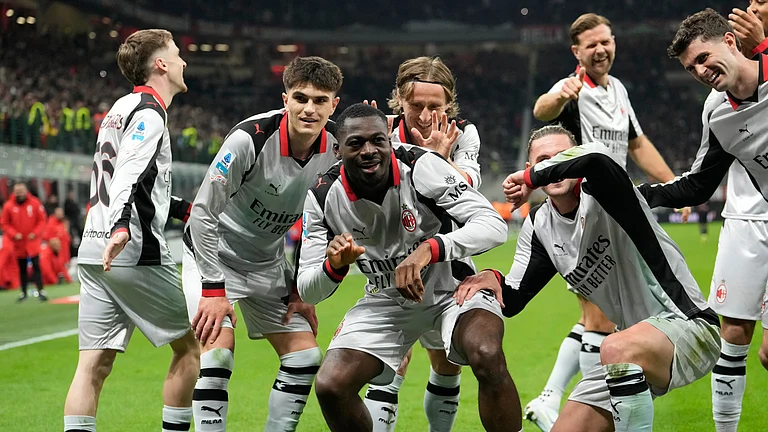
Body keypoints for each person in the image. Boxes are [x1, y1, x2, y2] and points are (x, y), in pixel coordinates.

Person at [458, 125, 721, 432]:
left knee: (614, 347)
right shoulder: (540, 226)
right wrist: (492, 277)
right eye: (542, 160)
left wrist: (533, 178)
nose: (552, 167)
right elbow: (514, 298)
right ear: (530, 165)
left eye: (559, 159)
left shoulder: (606, 190)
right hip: (630, 351)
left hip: (688, 326)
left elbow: (596, 157)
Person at [297, 103, 521, 432]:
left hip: (451, 288)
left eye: (378, 140)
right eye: (356, 143)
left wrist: (430, 249)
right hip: (386, 299)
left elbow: (493, 224)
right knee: (332, 384)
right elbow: (307, 289)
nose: (369, 151)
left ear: (389, 139)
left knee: (486, 352)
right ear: (337, 149)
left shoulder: (420, 165)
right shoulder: (321, 197)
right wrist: (334, 266)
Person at [523, 13, 681, 430]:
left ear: (614, 43)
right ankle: (589, 405)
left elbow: (636, 143)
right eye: (590, 44)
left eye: (606, 42)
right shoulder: (572, 90)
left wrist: (673, 186)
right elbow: (544, 108)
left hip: (617, 212)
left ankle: (558, 399)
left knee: (601, 319)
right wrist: (559, 94)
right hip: (580, 212)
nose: (600, 50)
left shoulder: (619, 90)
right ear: (577, 51)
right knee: (600, 319)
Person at [183, 56, 342, 431]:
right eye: (301, 98)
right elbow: (202, 214)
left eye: (320, 100)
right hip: (214, 257)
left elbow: (324, 222)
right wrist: (213, 287)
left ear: (334, 104)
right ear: (285, 98)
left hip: (268, 262)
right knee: (218, 356)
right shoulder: (248, 139)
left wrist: (302, 289)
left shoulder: (338, 146)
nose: (309, 108)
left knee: (305, 358)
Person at [63, 29, 200, 432]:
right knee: (191, 348)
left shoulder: (119, 108)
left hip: (93, 249)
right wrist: (122, 227)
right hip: (132, 250)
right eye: (176, 54)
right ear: (160, 64)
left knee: (93, 363)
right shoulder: (150, 112)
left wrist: (185, 209)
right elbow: (127, 177)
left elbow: (142, 184)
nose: (182, 61)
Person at [639, 9, 768, 432]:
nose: (699, 70)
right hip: (752, 221)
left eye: (703, 57)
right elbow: (697, 186)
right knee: (731, 334)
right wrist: (635, 195)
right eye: (691, 66)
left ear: (731, 42)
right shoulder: (717, 112)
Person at [362, 55, 479, 432]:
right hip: (392, 260)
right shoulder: (379, 131)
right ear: (399, 98)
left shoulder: (464, 134)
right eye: (417, 106)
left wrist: (438, 159)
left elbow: (466, 192)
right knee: (389, 359)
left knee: (445, 360)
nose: (427, 116)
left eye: (436, 107)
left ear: (450, 105)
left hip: (446, 263)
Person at [1, 182, 47, 301]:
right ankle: (23, 292)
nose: (19, 193)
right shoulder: (9, 206)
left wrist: (35, 233)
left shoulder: (35, 203)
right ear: (14, 192)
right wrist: (14, 234)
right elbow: (4, 223)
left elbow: (42, 220)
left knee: (36, 265)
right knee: (21, 268)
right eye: (17, 191)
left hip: (32, 241)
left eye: (21, 191)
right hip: (19, 243)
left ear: (26, 191)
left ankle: (41, 290)